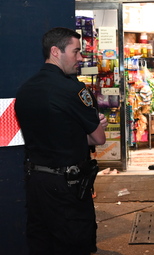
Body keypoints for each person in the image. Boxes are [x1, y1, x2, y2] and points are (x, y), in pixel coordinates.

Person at [15, 27, 108, 255]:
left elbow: (53, 134)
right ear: (56, 51)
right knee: (74, 244)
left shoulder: (25, 90)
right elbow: (99, 138)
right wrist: (98, 126)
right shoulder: (73, 90)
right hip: (67, 186)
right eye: (76, 52)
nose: (80, 58)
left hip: (35, 183)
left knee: (41, 244)